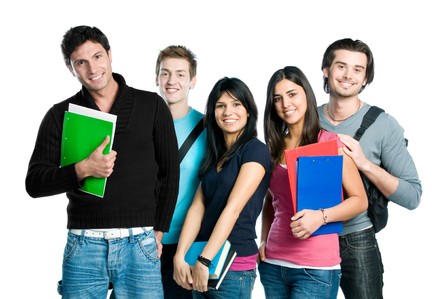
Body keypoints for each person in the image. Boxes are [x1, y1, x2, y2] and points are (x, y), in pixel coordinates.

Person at [25, 25, 180, 299]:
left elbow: (169, 174)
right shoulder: (60, 115)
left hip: (140, 243)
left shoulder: (152, 106)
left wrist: (158, 231)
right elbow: (34, 183)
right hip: (84, 244)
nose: (92, 68)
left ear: (109, 55)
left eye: (97, 56)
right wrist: (82, 169)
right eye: (80, 62)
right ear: (70, 68)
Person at [318, 38, 422, 298]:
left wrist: (364, 164)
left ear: (366, 79)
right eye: (341, 66)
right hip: (310, 237)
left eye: (357, 69)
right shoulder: (306, 116)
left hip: (356, 239)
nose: (348, 76)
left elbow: (412, 196)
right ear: (326, 71)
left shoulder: (384, 125)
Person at [258, 66, 368, 299]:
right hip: (274, 264)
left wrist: (321, 216)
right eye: (277, 98)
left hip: (315, 269)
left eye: (292, 94)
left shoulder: (331, 144)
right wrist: (264, 239)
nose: (286, 103)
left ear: (306, 94)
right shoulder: (272, 149)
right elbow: (271, 199)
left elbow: (360, 201)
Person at [173, 77, 271, 298]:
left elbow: (233, 209)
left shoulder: (255, 151)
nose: (228, 111)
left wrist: (205, 259)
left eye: (236, 104)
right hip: (198, 261)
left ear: (248, 111)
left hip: (231, 266)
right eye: (220, 105)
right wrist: (180, 255)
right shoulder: (214, 155)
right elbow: (197, 209)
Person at [155, 45, 207, 299]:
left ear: (192, 80)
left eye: (180, 74)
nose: (171, 81)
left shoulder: (208, 128)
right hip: (143, 241)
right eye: (165, 73)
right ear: (157, 78)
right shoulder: (144, 123)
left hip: (185, 243)